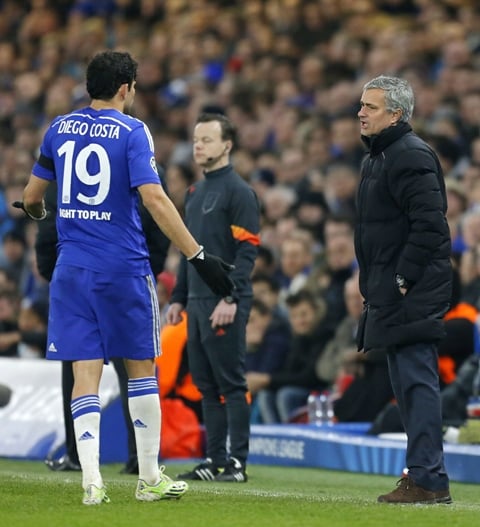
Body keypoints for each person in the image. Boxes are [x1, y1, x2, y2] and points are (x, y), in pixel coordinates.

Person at [15, 50, 234, 506]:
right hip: (123, 267)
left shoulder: (59, 129)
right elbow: (153, 197)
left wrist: (38, 212)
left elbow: (33, 196)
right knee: (140, 372)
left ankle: (91, 480)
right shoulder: (133, 131)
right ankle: (149, 477)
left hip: (70, 269)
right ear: (125, 88)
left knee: (84, 374)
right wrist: (196, 255)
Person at [355, 75, 452, 504]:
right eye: (361, 105)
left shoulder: (408, 155)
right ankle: (422, 475)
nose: (360, 112)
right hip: (393, 290)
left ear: (396, 114)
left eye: (370, 107)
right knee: (407, 386)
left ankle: (429, 479)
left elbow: (431, 224)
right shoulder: (378, 157)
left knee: (416, 384)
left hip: (412, 291)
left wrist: (402, 280)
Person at [37, 179, 171, 475]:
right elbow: (158, 216)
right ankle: (144, 463)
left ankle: (83, 465)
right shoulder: (134, 144)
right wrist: (149, 267)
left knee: (79, 373)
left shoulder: (63, 150)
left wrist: (53, 269)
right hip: (126, 275)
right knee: (137, 371)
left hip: (74, 275)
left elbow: (43, 216)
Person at [166, 112, 260, 483]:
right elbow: (189, 253)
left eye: (207, 139)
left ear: (227, 145)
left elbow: (247, 253)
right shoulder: (194, 193)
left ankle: (237, 462)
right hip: (197, 302)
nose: (199, 146)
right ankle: (214, 460)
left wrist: (231, 298)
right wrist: (177, 298)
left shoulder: (240, 192)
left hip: (225, 302)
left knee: (231, 383)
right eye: (195, 140)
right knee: (206, 384)